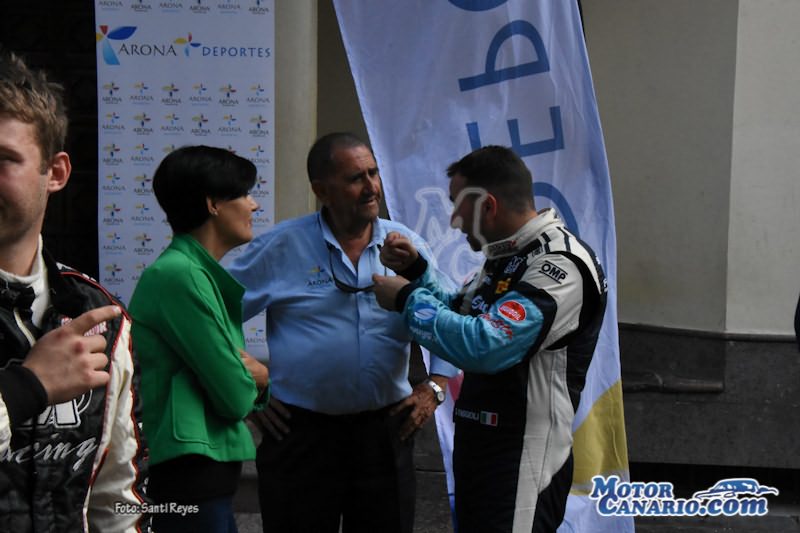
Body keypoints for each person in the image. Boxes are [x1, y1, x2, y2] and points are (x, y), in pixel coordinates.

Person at [227, 132, 459, 533]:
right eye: (355, 178)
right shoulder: (282, 246)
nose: (371, 187)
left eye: (373, 173)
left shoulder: (406, 246)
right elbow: (210, 313)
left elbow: (448, 315)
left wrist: (436, 385)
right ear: (322, 191)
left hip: (385, 433)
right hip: (300, 434)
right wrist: (244, 387)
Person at [372, 145, 608, 533]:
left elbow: (486, 345)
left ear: (487, 206)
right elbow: (460, 311)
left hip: (522, 461)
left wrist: (405, 299)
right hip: (481, 451)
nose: (454, 221)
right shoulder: (507, 257)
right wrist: (416, 271)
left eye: (457, 206)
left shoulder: (560, 264)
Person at [0, 49, 145, 531]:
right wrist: (28, 387)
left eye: (4, 159)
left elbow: (117, 495)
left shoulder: (98, 313)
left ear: (56, 173)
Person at [128, 145, 269, 533]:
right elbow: (235, 395)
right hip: (189, 477)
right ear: (213, 204)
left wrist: (255, 378)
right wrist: (259, 378)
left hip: (202, 475)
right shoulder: (180, 274)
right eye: (243, 193)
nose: (254, 205)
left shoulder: (192, 271)